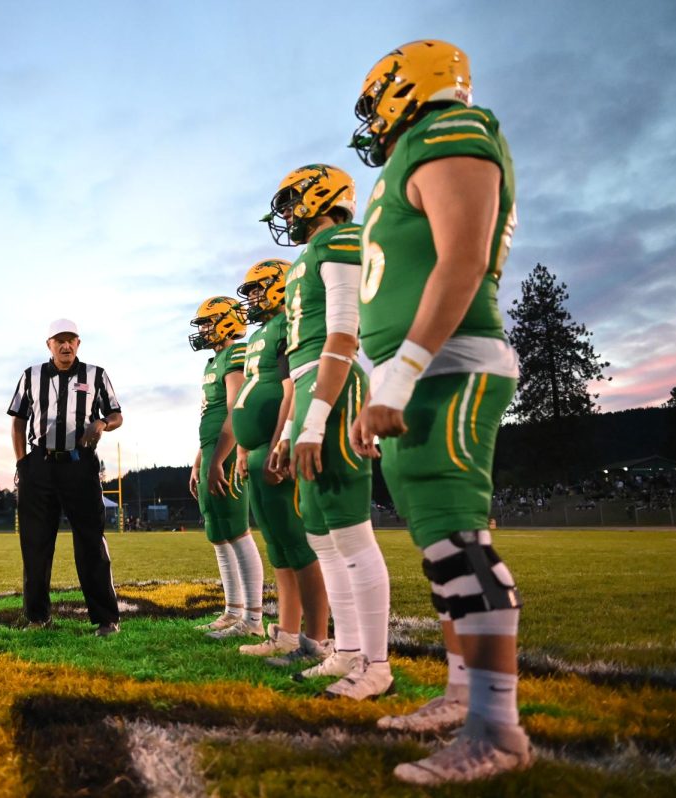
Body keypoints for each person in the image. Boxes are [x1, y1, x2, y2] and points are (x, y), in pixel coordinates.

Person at [348, 39, 530, 783]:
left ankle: (498, 730)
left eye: (374, 102)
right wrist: (385, 376)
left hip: (447, 366)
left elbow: (461, 257)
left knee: (460, 547)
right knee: (438, 548)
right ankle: (463, 697)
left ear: (403, 88)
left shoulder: (448, 131)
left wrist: (403, 374)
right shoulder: (417, 150)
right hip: (419, 369)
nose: (371, 122)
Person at [263, 164, 392, 699]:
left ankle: (376, 664)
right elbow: (298, 365)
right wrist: (289, 430)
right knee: (319, 532)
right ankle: (346, 651)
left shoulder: (339, 238)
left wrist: (315, 420)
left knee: (349, 529)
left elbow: (343, 330)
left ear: (320, 196)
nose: (287, 212)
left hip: (334, 386)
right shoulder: (305, 260)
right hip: (311, 386)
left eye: (293, 200)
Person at [217, 260, 329, 658]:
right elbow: (250, 392)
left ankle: (317, 639)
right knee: (279, 548)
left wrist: (282, 437)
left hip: (278, 446)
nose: (251, 298)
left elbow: (291, 387)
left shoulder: (288, 325)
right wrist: (245, 448)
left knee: (299, 546)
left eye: (257, 289)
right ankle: (286, 632)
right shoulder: (262, 333)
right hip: (259, 448)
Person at [8, 319, 123, 636]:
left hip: (80, 464)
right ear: (49, 344)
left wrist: (101, 424)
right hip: (40, 464)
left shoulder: (95, 374)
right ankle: (37, 617)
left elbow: (116, 414)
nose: (65, 345)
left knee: (90, 542)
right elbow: (17, 420)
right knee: (35, 543)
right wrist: (22, 464)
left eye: (70, 339)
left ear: (78, 343)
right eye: (59, 340)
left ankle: (105, 619)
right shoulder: (31, 375)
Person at [186, 297, 265, 636]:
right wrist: (200, 460)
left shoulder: (236, 354)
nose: (203, 330)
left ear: (227, 322)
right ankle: (232, 611)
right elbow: (210, 415)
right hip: (212, 450)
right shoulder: (212, 362)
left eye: (208, 323)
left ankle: (253, 620)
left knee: (236, 532)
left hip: (228, 451)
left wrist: (218, 458)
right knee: (218, 534)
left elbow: (235, 409)